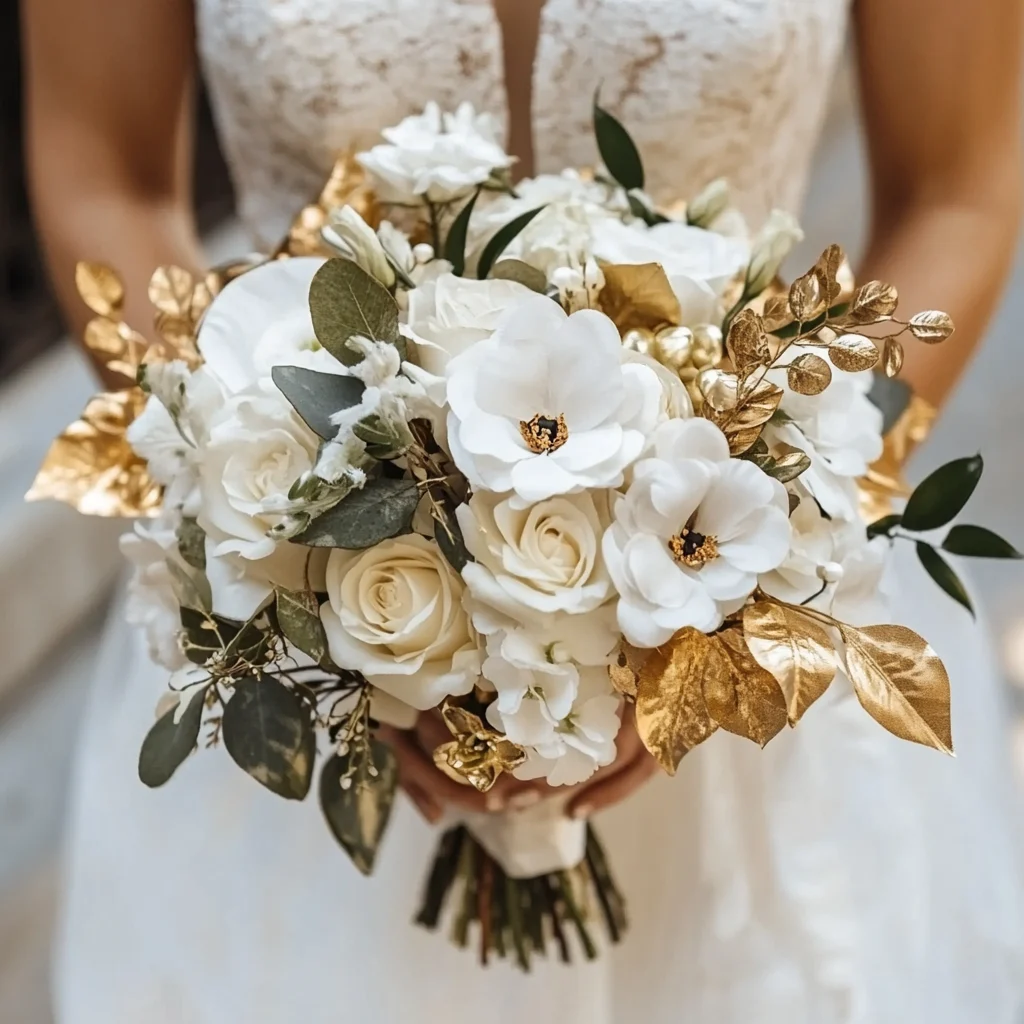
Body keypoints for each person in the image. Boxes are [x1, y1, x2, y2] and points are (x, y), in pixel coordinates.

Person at [22, 0, 1024, 1021]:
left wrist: (739, 597)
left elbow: (958, 191)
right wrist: (340, 608)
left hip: (728, 600)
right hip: (314, 647)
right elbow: (107, 174)